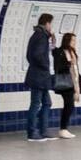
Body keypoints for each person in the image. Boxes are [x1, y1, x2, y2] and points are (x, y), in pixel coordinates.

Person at [24, 13, 54, 142]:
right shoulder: (41, 36)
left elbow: (30, 55)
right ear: (47, 23)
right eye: (51, 23)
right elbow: (36, 55)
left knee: (46, 103)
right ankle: (32, 132)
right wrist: (45, 65)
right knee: (36, 104)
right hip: (39, 76)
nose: (51, 26)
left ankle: (43, 130)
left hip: (39, 76)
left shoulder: (37, 35)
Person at [52, 32, 81, 140]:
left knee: (69, 105)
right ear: (67, 41)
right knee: (69, 105)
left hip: (73, 82)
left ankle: (64, 129)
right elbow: (57, 67)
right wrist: (68, 64)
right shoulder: (60, 52)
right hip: (65, 82)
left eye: (75, 41)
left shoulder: (73, 53)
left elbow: (75, 69)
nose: (74, 43)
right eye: (72, 40)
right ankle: (63, 129)